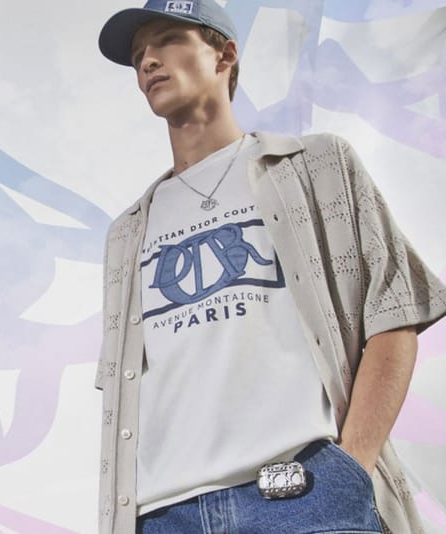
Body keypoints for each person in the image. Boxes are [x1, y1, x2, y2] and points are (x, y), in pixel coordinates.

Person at [94, 2, 446, 533]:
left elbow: (394, 313)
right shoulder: (127, 233)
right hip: (164, 513)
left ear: (225, 55)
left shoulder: (316, 165)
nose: (148, 61)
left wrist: (352, 468)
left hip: (303, 492)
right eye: (140, 54)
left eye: (168, 40)